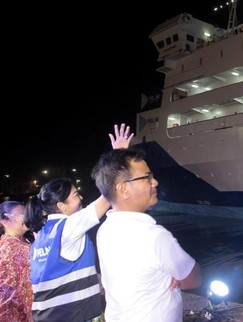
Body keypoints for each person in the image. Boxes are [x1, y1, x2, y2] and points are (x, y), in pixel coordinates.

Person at [24, 123, 133, 321]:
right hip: (73, 316)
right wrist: (119, 154)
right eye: (75, 195)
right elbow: (107, 197)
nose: (81, 197)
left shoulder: (42, 235)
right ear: (61, 207)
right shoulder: (69, 227)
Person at [92, 147, 202, 321]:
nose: (155, 182)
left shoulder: (105, 229)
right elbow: (193, 278)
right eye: (147, 177)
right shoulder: (155, 236)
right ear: (123, 189)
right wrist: (173, 274)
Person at [1, 201, 34, 322]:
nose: (28, 217)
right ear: (4, 222)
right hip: (16, 315)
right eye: (22, 214)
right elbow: (27, 290)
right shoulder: (13, 248)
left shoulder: (23, 242)